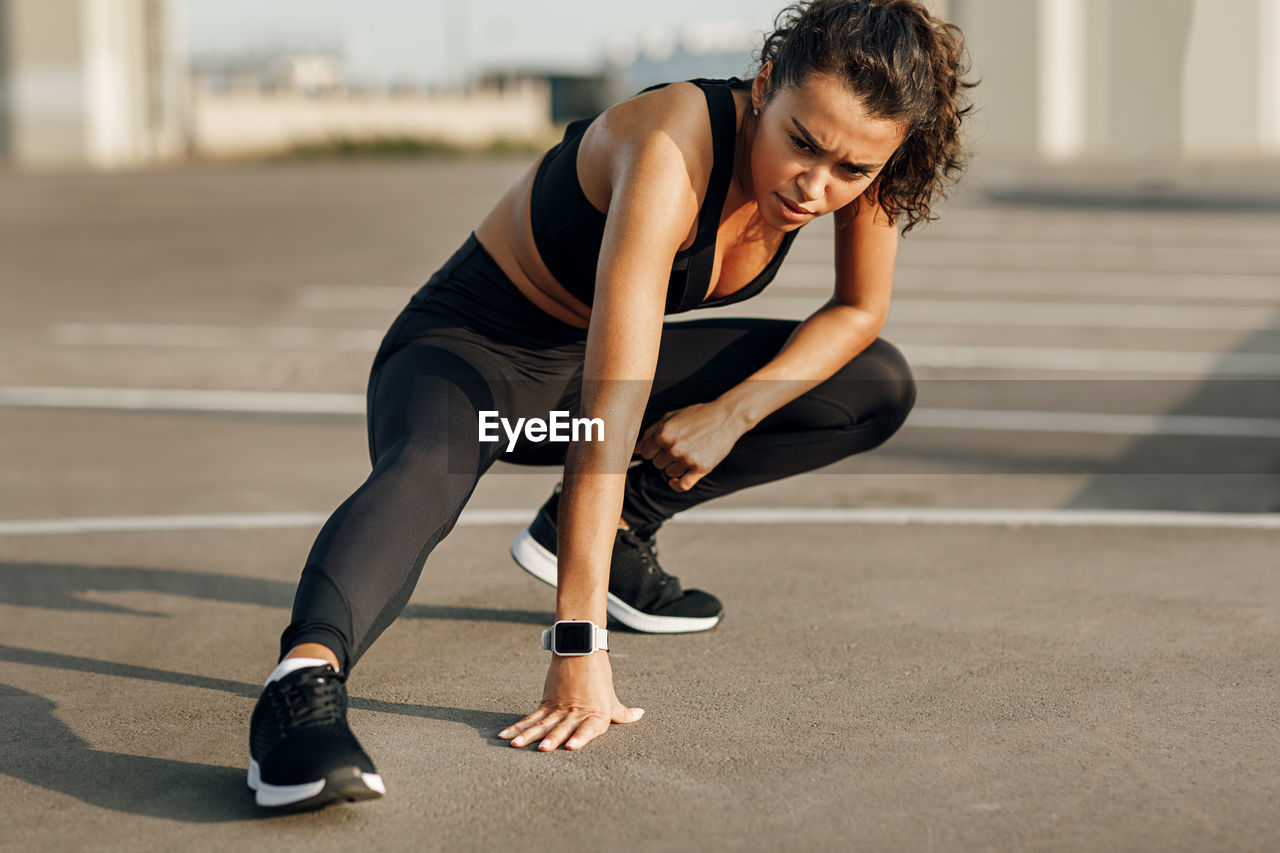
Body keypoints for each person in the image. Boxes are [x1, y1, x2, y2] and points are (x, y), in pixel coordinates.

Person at [247, 0, 974, 810]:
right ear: (766, 85)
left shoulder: (863, 149)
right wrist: (576, 645)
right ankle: (300, 692)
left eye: (853, 170)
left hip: (588, 371)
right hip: (471, 360)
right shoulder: (674, 144)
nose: (816, 184)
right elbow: (606, 419)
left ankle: (611, 531)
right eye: (801, 142)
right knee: (432, 468)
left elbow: (857, 311)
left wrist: (731, 411)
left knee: (871, 382)